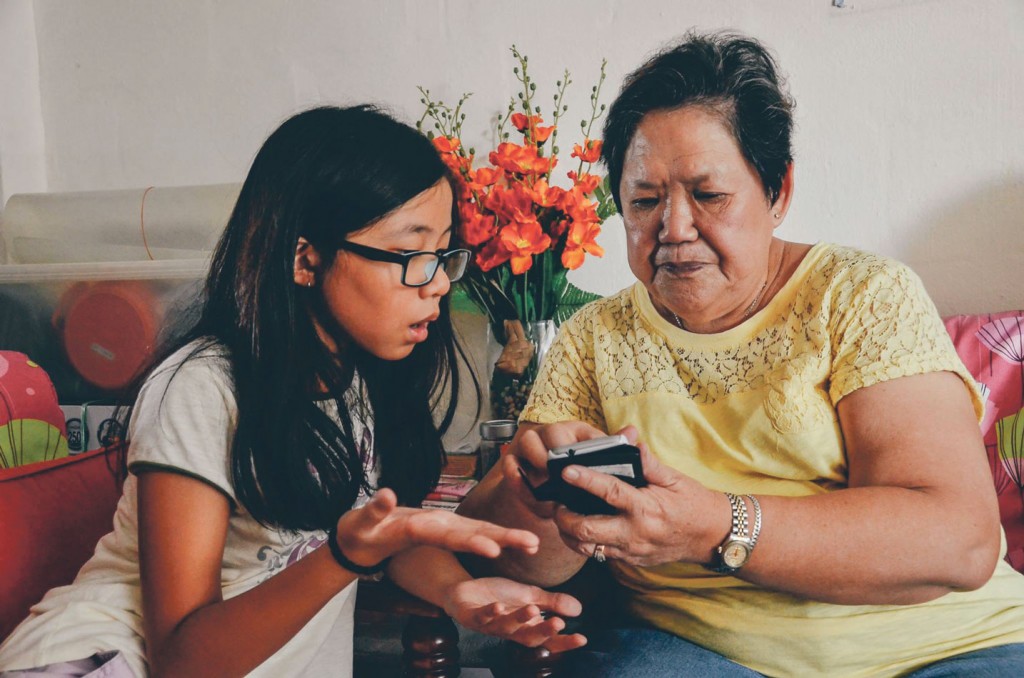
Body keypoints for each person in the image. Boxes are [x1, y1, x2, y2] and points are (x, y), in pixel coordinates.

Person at [459, 31, 1024, 676]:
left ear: (777, 191)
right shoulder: (593, 338)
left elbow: (958, 540)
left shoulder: (862, 295)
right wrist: (541, 499)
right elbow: (504, 556)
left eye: (709, 195)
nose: (673, 229)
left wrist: (712, 525)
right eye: (644, 201)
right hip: (699, 656)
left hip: (949, 647)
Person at [0, 105, 585, 677]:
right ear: (305, 259)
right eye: (410, 254)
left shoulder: (355, 381)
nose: (435, 283)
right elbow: (184, 660)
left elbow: (384, 533)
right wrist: (343, 555)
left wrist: (462, 595)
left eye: (441, 253)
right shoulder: (202, 388)